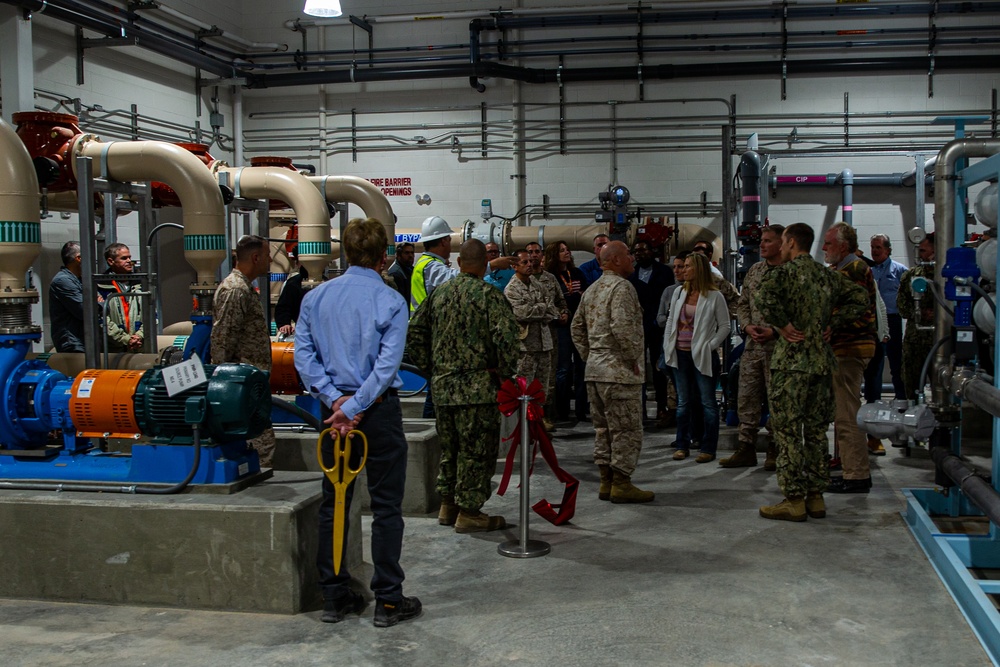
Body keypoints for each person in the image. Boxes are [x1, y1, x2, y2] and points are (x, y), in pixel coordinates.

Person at [294, 217, 421, 628]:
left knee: (335, 502)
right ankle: (387, 600)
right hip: (377, 412)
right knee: (386, 507)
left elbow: (304, 358)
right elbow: (387, 365)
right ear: (384, 257)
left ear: (345, 253)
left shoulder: (316, 298)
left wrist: (337, 402)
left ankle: (334, 596)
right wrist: (356, 405)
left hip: (333, 415)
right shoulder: (390, 301)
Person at [755, 223, 870, 522]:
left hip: (791, 364)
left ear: (791, 243)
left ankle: (793, 498)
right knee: (817, 432)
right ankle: (816, 497)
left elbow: (762, 297)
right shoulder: (827, 276)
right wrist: (830, 324)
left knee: (789, 432)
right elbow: (861, 300)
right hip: (821, 362)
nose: (780, 246)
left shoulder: (781, 274)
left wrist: (782, 324)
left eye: (781, 241)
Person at [406, 239, 520, 533]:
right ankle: (470, 511)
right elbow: (507, 340)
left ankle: (449, 504)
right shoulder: (489, 296)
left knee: (451, 449)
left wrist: (431, 368)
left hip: (444, 389)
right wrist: (506, 377)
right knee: (477, 452)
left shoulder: (439, 295)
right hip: (478, 389)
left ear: (458, 264)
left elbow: (415, 330)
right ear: (484, 265)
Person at [571, 240, 653, 503]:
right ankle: (621, 483)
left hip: (595, 372)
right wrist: (633, 359)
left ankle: (606, 481)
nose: (632, 258)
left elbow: (576, 328)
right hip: (619, 373)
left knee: (603, 430)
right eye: (628, 254)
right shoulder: (622, 287)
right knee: (626, 430)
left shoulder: (593, 289)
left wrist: (591, 356)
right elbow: (622, 327)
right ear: (616, 260)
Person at [720, 224, 785, 469]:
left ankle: (775, 448)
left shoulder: (791, 272)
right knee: (746, 397)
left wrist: (774, 331)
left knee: (777, 400)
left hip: (779, 348)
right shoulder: (755, 270)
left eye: (768, 241)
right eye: (762, 241)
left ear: (782, 244)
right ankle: (746, 447)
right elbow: (743, 303)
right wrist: (746, 327)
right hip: (753, 347)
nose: (763, 245)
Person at [211, 235, 276, 467]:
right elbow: (223, 339)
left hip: (250, 384)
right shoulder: (236, 290)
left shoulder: (245, 288)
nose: (270, 259)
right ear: (256, 257)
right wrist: (223, 386)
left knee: (261, 444)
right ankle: (261, 495)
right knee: (262, 446)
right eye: (267, 255)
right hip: (241, 386)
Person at [824, 223, 878, 495]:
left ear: (843, 246)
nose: (824, 248)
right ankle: (850, 469)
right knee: (844, 413)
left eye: (829, 243)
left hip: (849, 349)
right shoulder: (844, 269)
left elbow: (857, 310)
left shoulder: (853, 269)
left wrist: (830, 324)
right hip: (844, 349)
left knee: (847, 415)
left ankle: (856, 475)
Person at [663, 252, 730, 463]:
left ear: (698, 269)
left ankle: (708, 447)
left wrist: (710, 345)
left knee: (708, 403)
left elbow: (725, 326)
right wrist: (668, 346)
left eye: (688, 266)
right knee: (683, 403)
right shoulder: (678, 293)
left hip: (702, 355)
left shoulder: (714, 295)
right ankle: (682, 444)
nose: (683, 270)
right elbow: (671, 321)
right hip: (680, 355)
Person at [411, 216, 513, 313]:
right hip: (427, 325)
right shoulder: (431, 266)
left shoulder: (424, 262)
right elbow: (460, 279)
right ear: (443, 242)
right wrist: (492, 265)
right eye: (449, 240)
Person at [505, 249, 561, 416]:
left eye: (530, 262)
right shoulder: (512, 289)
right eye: (525, 262)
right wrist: (542, 309)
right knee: (524, 390)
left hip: (544, 344)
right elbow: (521, 313)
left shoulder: (539, 285)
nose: (530, 265)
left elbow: (553, 310)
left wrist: (538, 310)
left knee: (541, 389)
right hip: (526, 348)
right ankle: (523, 427)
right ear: (515, 266)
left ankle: (538, 424)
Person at [628, 239, 675, 426]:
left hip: (657, 326)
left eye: (643, 249)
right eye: (636, 251)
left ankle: (662, 407)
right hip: (638, 327)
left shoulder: (664, 272)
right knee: (637, 368)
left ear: (651, 251)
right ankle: (640, 408)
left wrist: (659, 320)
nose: (639, 254)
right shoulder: (631, 274)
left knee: (659, 368)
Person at [546, 240, 590, 422]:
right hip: (562, 327)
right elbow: (556, 301)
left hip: (579, 325)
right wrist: (572, 300)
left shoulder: (577, 273)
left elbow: (585, 297)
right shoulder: (551, 276)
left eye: (567, 249)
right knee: (563, 369)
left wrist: (571, 299)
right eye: (562, 250)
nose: (567, 253)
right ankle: (562, 410)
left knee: (582, 367)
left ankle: (581, 410)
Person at [527, 241, 568, 432]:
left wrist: (564, 312)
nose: (533, 255)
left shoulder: (550, 279)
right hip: (527, 339)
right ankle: (530, 419)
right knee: (528, 380)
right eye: (530, 252)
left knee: (549, 379)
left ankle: (547, 417)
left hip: (549, 334)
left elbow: (561, 301)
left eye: (537, 252)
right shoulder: (520, 280)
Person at [898, 232, 936, 399]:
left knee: (941, 383)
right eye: (920, 251)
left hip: (938, 341)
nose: (922, 255)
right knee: (911, 383)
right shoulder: (912, 275)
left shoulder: (945, 277)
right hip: (915, 341)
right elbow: (901, 306)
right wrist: (919, 313)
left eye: (925, 251)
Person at [870, 233, 908, 399]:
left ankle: (901, 397)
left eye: (878, 247)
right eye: (872, 247)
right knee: (875, 362)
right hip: (873, 321)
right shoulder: (868, 271)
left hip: (892, 320)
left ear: (888, 250)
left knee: (895, 361)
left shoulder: (899, 270)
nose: (874, 251)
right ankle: (873, 399)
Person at [97, 243, 144, 353]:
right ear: (110, 261)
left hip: (139, 346)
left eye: (129, 257)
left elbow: (151, 314)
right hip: (113, 350)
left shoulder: (141, 284)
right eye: (124, 258)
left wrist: (139, 335)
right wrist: (126, 339)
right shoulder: (101, 287)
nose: (129, 261)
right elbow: (102, 319)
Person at [49, 240, 85, 353]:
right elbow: (84, 310)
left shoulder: (80, 280)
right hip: (72, 342)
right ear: (78, 258)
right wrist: (99, 303)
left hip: (82, 339)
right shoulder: (63, 281)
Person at [691, 240, 739, 314]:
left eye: (699, 259)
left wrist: (721, 316)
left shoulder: (714, 277)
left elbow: (736, 299)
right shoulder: (692, 277)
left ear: (709, 256)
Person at [275, 254, 309, 337]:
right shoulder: (293, 284)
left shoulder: (327, 285)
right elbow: (284, 307)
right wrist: (284, 324)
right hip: (303, 331)